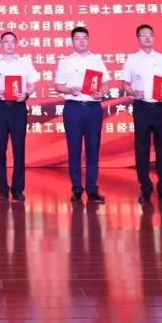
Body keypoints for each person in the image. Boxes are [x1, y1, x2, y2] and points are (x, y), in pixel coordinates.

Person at [121, 24, 162, 204]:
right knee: (142, 148)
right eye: (143, 35)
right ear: (138, 38)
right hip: (142, 107)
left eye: (150, 35)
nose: (147, 37)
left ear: (154, 38)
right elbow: (125, 83)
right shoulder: (132, 60)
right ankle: (145, 188)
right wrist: (132, 92)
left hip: (160, 108)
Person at [53, 26, 112, 204]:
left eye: (84, 38)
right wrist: (69, 89)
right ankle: (77, 188)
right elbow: (58, 86)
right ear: (72, 41)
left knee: (93, 149)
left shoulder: (97, 60)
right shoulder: (65, 61)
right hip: (73, 108)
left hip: (93, 108)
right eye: (77, 38)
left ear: (88, 40)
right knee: (74, 149)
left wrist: (102, 92)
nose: (81, 41)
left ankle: (92, 189)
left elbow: (106, 83)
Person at [0, 31, 39, 201]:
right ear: (1, 44)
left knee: (19, 149)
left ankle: (18, 189)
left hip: (18, 108)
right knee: (0, 149)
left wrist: (26, 94)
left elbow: (33, 84)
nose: (9, 45)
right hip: (0, 108)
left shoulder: (25, 63)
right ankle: (2, 189)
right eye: (6, 42)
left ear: (16, 44)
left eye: (12, 41)